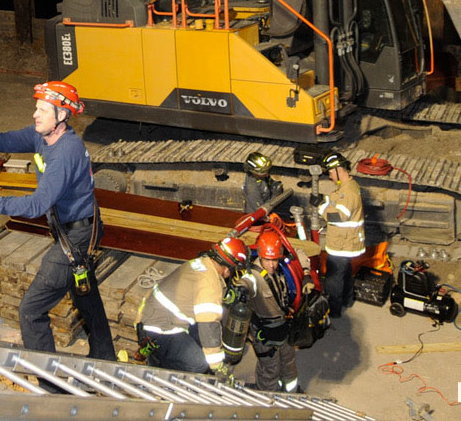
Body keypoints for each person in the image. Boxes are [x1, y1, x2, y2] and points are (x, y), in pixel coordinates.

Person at [0, 81, 116, 362]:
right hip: (78, 228)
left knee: (31, 309)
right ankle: (106, 357)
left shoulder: (66, 153)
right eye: (36, 107)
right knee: (84, 294)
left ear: (61, 116)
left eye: (42, 109)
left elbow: (37, 204)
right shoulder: (42, 136)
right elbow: (3, 141)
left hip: (76, 238)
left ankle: (48, 381)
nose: (35, 114)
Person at [135, 237, 250, 375]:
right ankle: (159, 370)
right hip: (161, 328)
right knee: (199, 363)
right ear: (227, 268)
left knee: (207, 337)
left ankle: (160, 356)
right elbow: (209, 326)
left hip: (152, 315)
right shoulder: (210, 284)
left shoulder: (203, 262)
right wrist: (217, 366)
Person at [311, 151, 364, 316]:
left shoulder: (348, 193)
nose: (330, 177)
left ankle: (332, 310)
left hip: (342, 243)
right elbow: (337, 201)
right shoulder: (348, 187)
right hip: (347, 242)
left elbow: (338, 215)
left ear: (338, 170)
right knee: (345, 272)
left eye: (330, 173)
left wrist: (320, 207)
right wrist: (324, 199)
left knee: (334, 279)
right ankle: (347, 300)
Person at [246, 230, 299, 393]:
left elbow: (301, 256)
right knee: (270, 368)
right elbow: (245, 284)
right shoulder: (252, 276)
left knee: (288, 362)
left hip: (283, 327)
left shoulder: (281, 270)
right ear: (260, 255)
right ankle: (265, 397)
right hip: (265, 332)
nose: (272, 265)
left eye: (275, 260)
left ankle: (291, 392)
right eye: (268, 260)